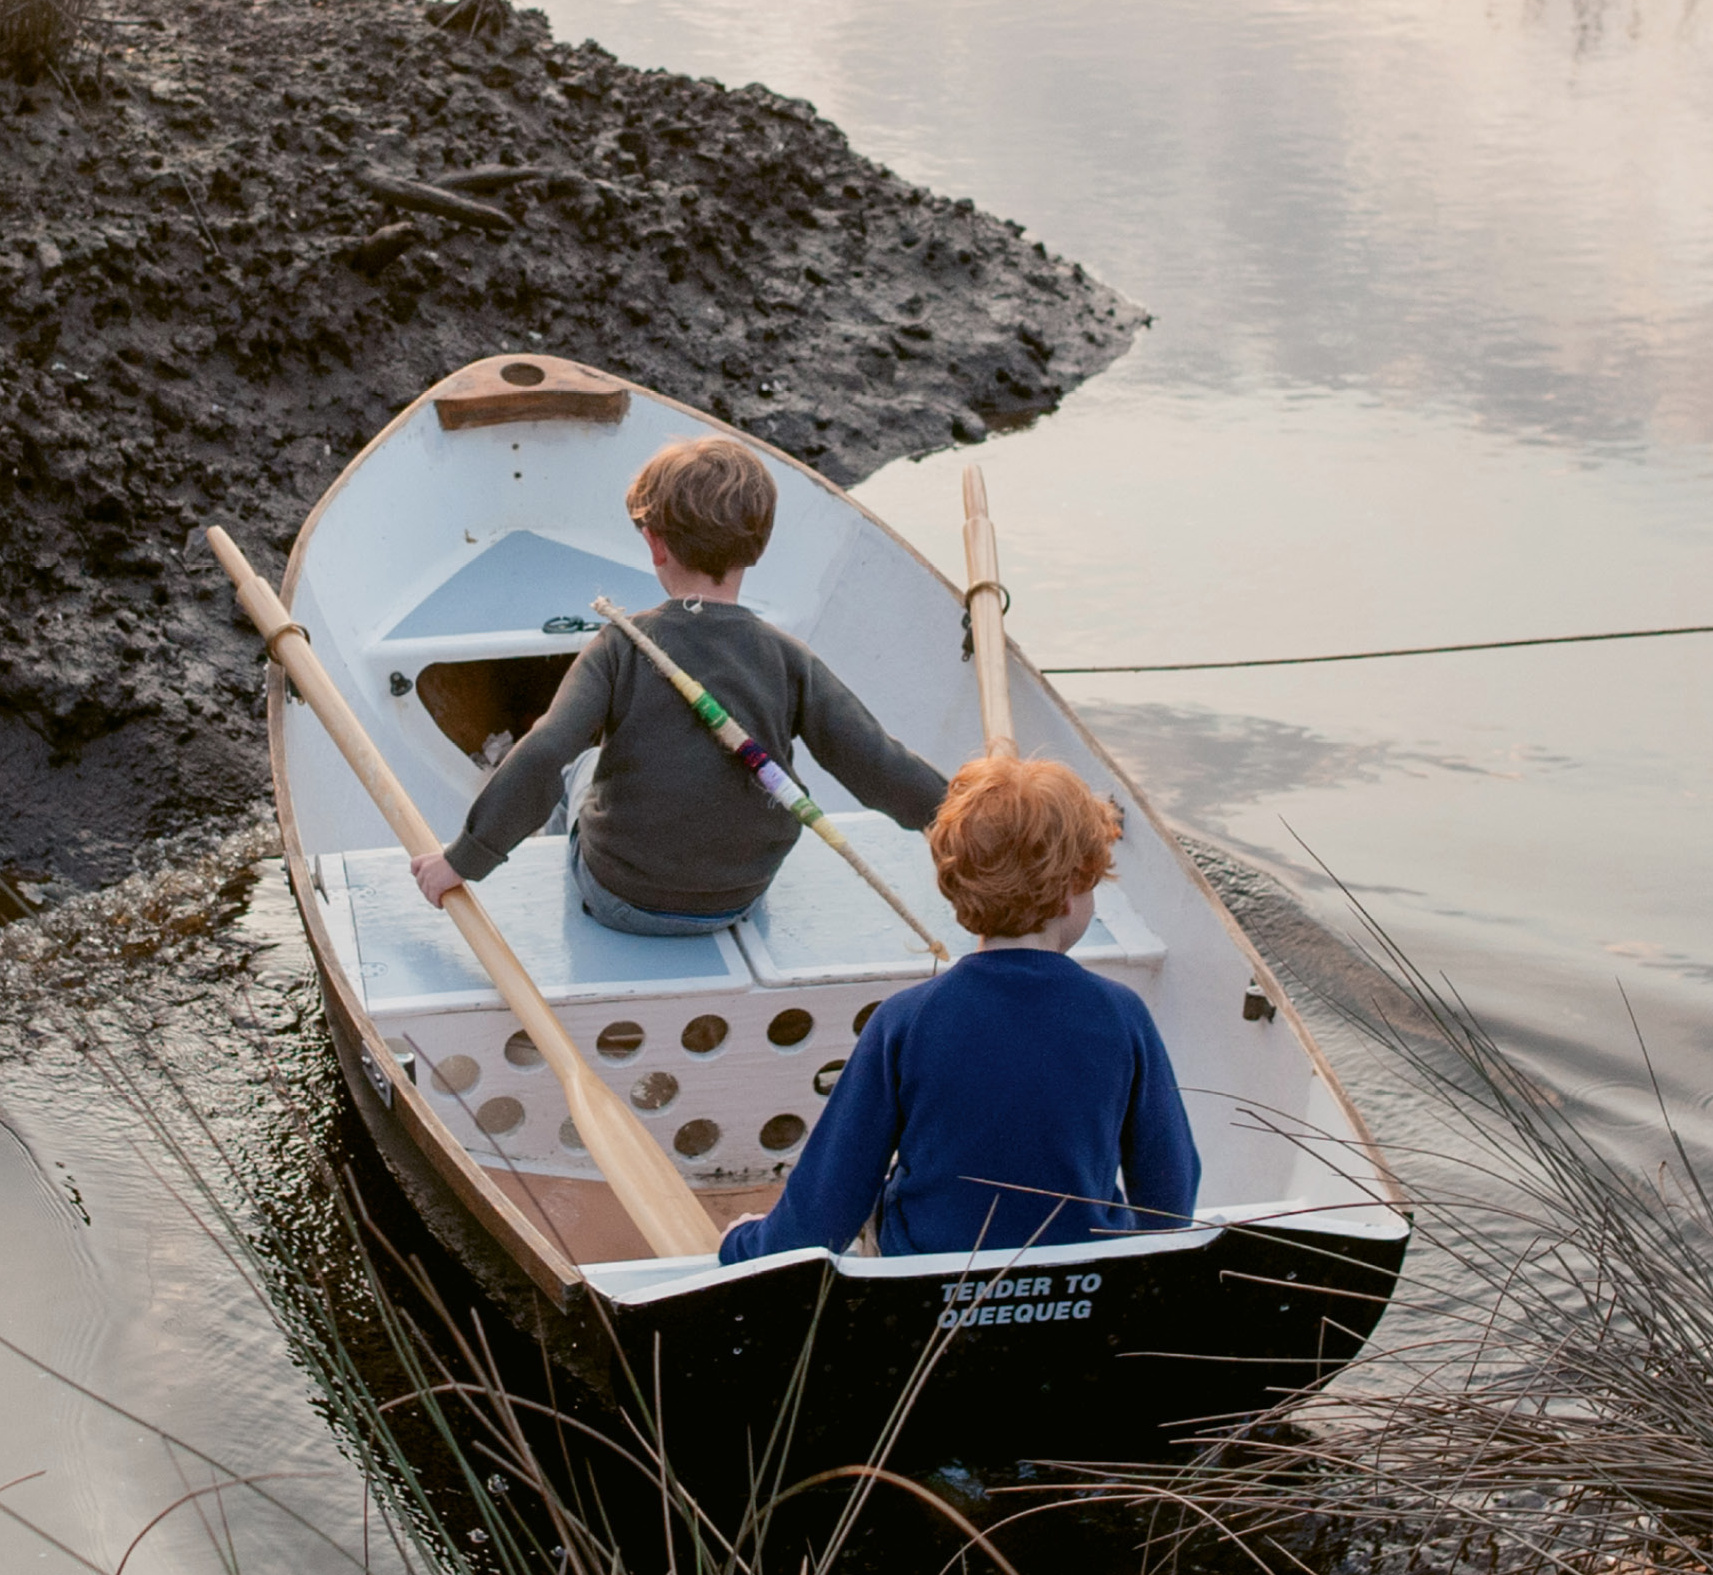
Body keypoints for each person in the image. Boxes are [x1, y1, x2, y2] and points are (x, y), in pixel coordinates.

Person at [409, 436, 947, 937]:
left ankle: (563, 906)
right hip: (740, 897)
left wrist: (462, 860)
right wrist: (958, 812)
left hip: (621, 898)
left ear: (654, 544)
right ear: (756, 547)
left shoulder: (621, 645)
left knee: (578, 766)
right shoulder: (788, 658)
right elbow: (874, 762)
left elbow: (547, 748)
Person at [715, 751, 1199, 1265]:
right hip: (1075, 1284)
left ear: (957, 887)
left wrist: (744, 1244)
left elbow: (820, 1215)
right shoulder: (1122, 1015)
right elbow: (1170, 1199)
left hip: (931, 1286)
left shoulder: (907, 1020)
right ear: (1069, 894)